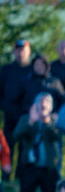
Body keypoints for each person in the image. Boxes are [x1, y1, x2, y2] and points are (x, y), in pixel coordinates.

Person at [15, 93, 62, 192]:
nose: (43, 104)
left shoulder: (55, 120)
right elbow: (16, 136)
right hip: (29, 167)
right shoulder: (26, 118)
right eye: (41, 101)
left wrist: (47, 123)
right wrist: (30, 122)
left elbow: (58, 136)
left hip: (49, 168)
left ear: (51, 106)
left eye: (46, 102)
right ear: (35, 105)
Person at [0, 39, 33, 167]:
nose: (20, 53)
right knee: (8, 145)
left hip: (26, 116)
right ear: (14, 51)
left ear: (28, 52)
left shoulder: (32, 70)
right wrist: (4, 106)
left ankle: (20, 177)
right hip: (10, 115)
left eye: (23, 50)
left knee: (24, 147)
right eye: (18, 50)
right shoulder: (7, 70)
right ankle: (7, 175)